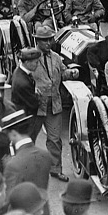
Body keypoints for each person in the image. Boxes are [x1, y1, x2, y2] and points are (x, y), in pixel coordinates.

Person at [32, 26, 79, 182]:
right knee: (28, 139)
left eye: (50, 39)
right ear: (37, 41)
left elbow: (62, 73)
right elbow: (22, 79)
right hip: (35, 105)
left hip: (54, 104)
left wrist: (71, 73)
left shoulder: (56, 58)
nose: (48, 43)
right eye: (44, 40)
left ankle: (55, 169)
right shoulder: (30, 58)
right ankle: (25, 168)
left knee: (55, 139)